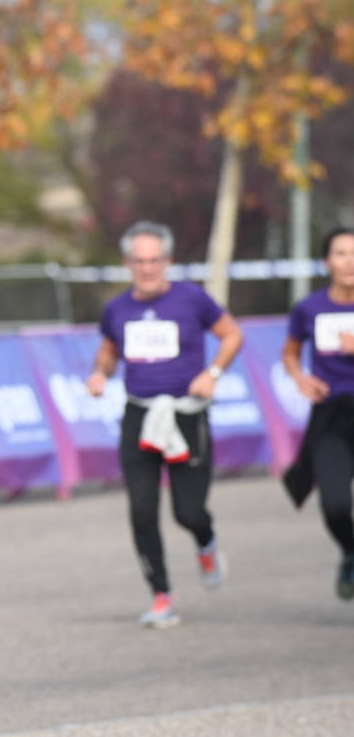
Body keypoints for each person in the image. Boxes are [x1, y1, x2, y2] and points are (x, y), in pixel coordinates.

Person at [86, 220, 243, 628]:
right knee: (141, 510)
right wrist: (100, 374)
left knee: (188, 512)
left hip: (185, 415)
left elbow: (232, 336)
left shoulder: (193, 299)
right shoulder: (117, 309)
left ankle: (205, 543)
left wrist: (213, 374)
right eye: (139, 261)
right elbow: (107, 352)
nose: (148, 268)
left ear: (168, 261)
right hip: (139, 414)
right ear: (127, 263)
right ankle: (161, 596)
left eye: (155, 260)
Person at [280, 227, 354, 600]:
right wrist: (300, 377)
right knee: (336, 504)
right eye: (340, 253)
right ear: (326, 262)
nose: (350, 261)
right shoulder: (309, 308)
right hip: (332, 419)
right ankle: (350, 552)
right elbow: (290, 352)